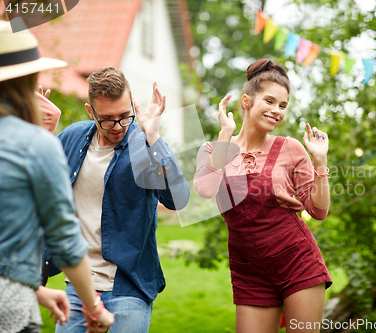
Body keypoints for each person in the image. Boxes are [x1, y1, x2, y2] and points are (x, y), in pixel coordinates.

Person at [194, 59, 332, 333]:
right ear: (246, 101)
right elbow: (206, 189)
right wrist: (225, 134)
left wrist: (320, 162)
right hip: (250, 270)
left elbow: (318, 211)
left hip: (297, 263)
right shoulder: (213, 148)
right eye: (269, 101)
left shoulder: (290, 148)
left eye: (282, 105)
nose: (276, 111)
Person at [51, 66, 190, 333]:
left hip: (128, 285)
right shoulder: (72, 138)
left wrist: (153, 137)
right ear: (90, 112)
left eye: (125, 116)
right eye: (107, 119)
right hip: (78, 285)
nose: (117, 127)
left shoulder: (142, 143)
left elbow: (178, 199)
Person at [0, 19, 114, 333]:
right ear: (26, 79)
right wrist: (92, 307)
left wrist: (37, 290)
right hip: (9, 307)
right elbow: (65, 238)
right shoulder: (36, 144)